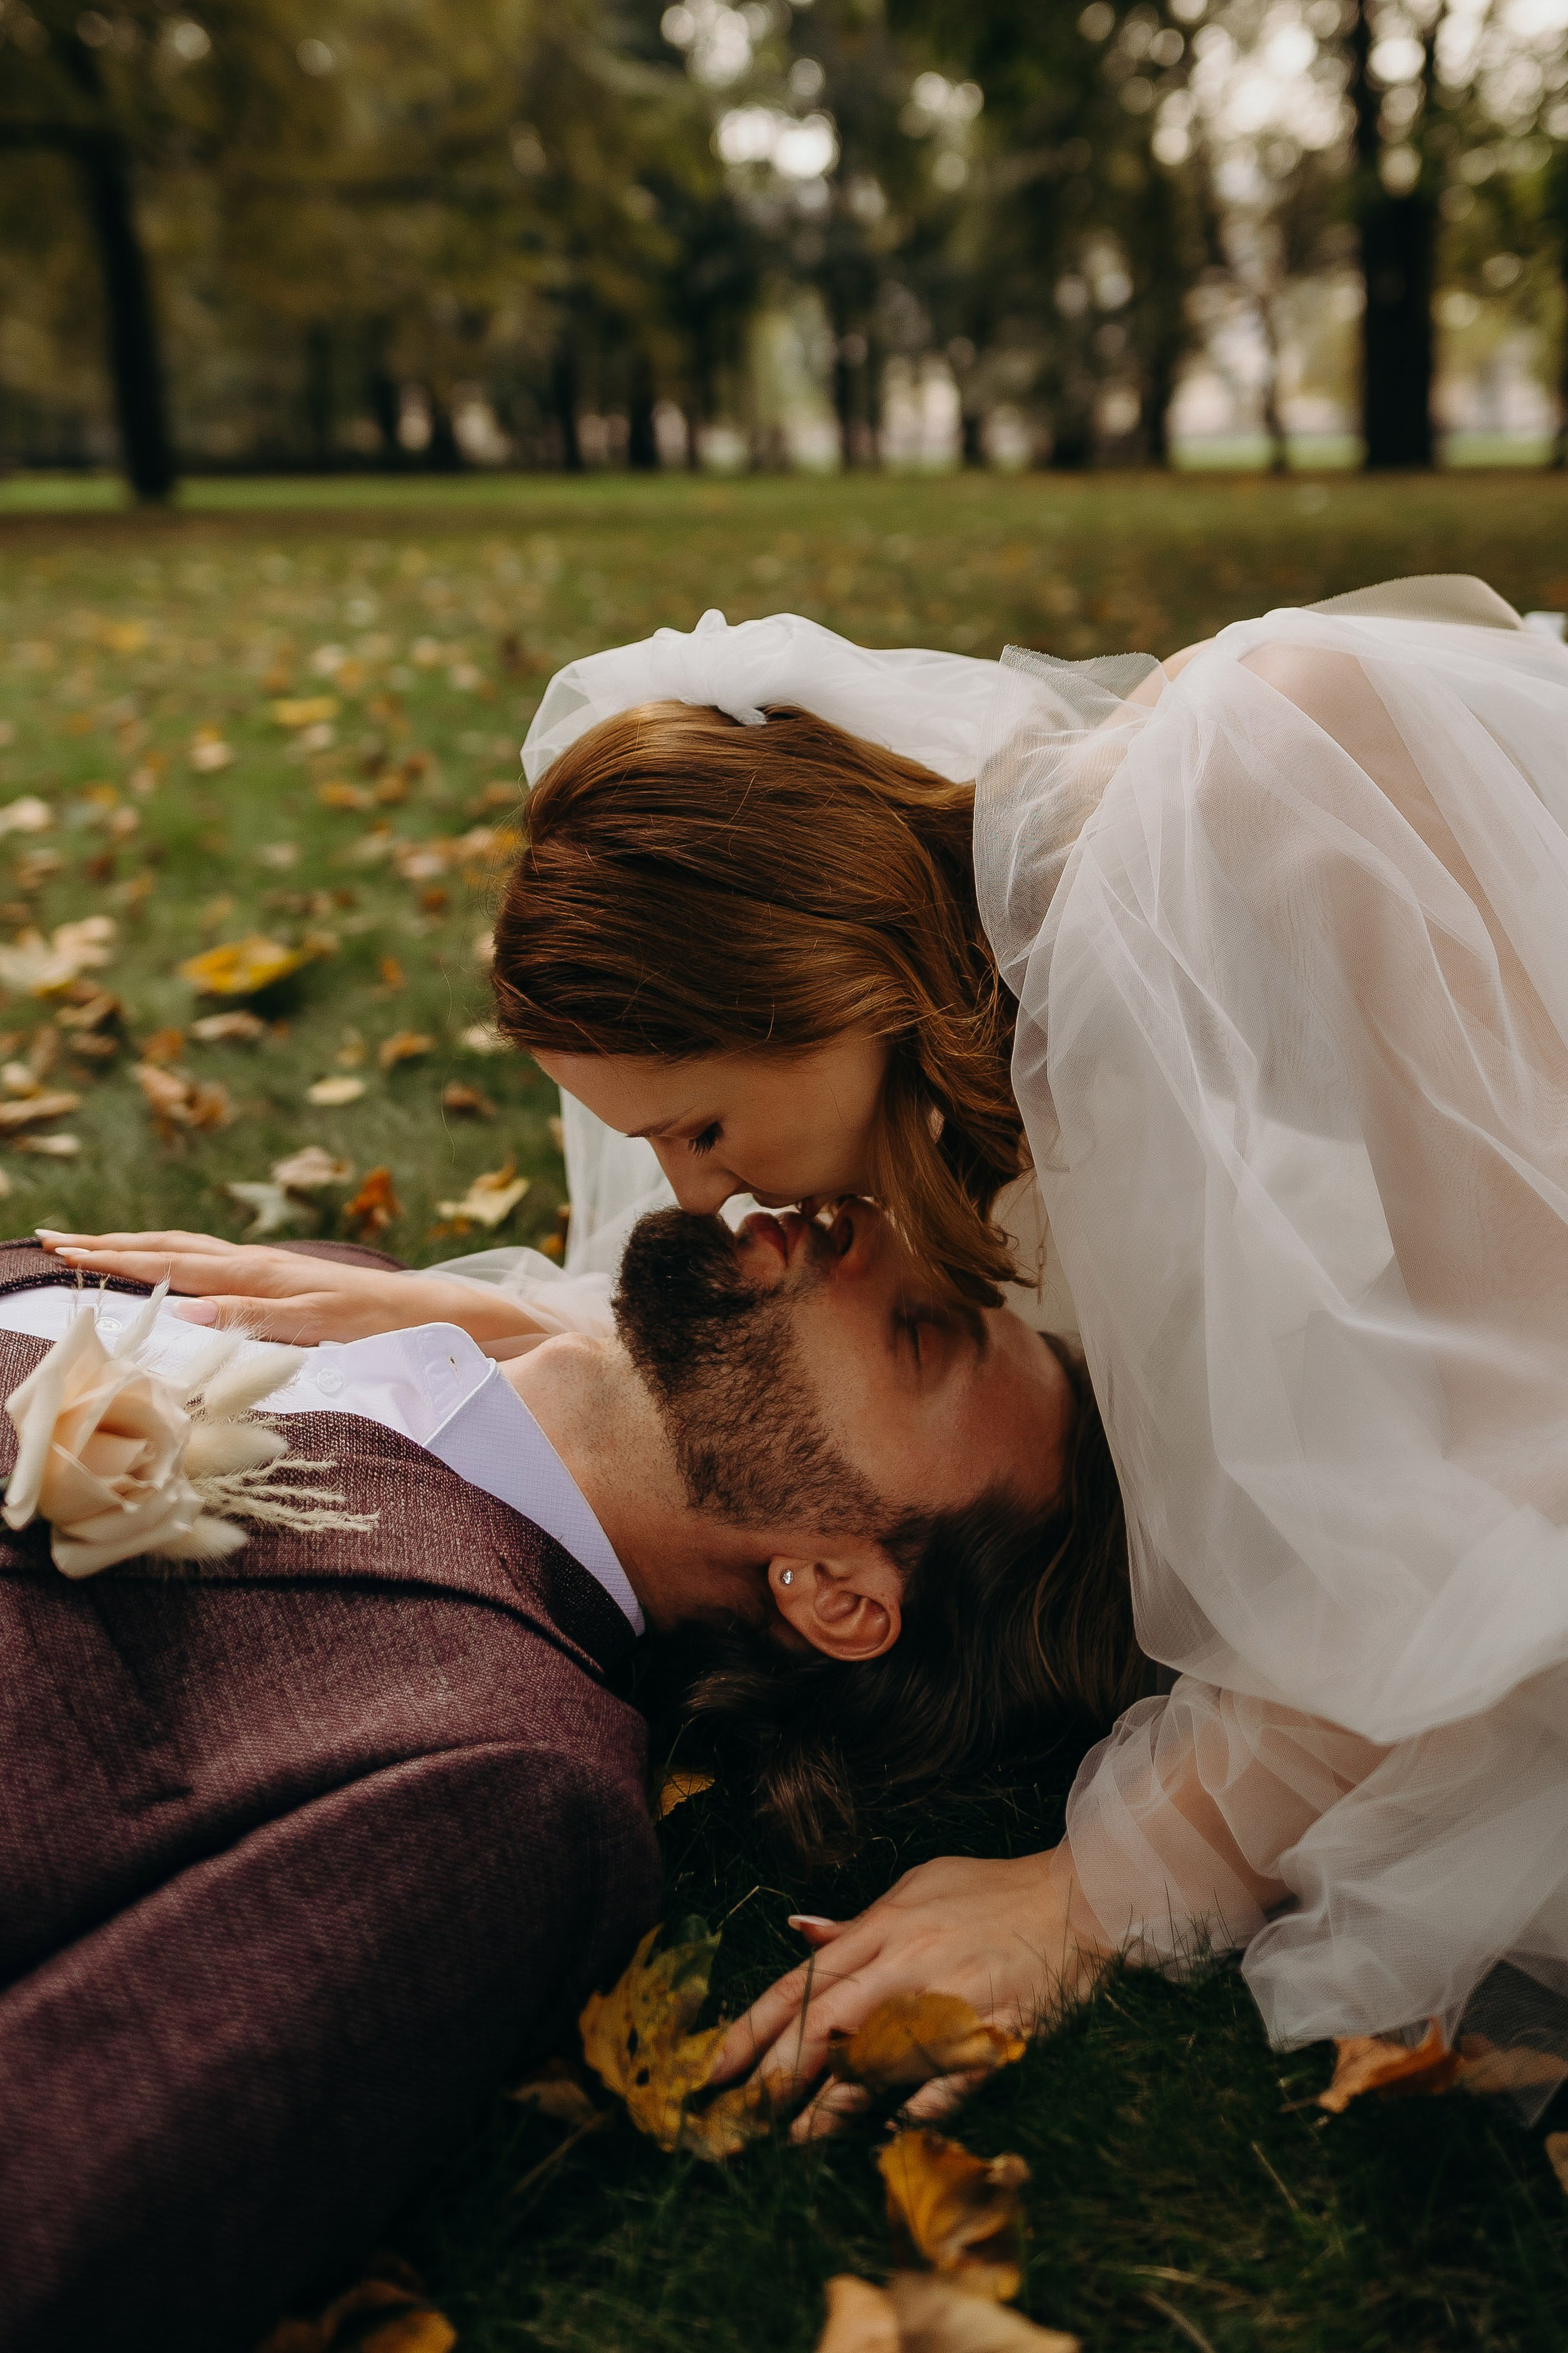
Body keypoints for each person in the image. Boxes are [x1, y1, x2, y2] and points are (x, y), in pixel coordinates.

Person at [48, 578, 1568, 2126]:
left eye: (700, 1128)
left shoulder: (1289, 762)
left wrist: (1101, 1882)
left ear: (831, 990)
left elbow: (1531, 1450)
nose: (700, 1196)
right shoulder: (998, 1033)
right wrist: (554, 1343)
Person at [2, 1201, 1098, 2352]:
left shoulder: (499, 1779)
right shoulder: (325, 1282)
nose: (862, 1225)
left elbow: (57, 2189)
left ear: (837, 1593)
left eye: (919, 1333)